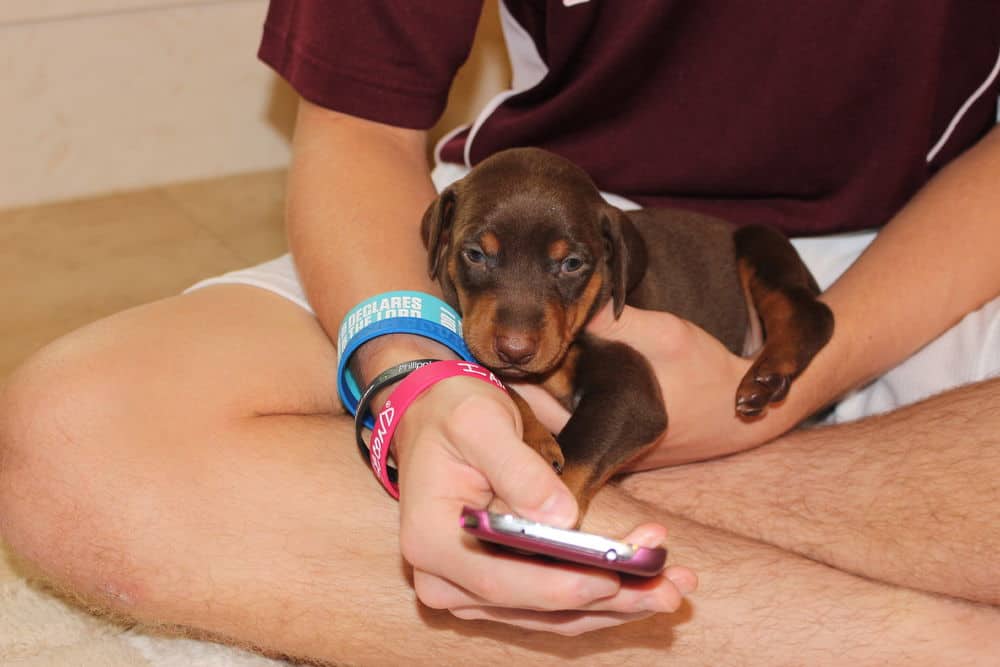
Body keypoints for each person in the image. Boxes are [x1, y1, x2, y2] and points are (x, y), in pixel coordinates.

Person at [2, 2, 999, 664]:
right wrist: (411, 380)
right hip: (556, 208)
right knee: (69, 438)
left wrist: (810, 365)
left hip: (938, 244)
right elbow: (359, 129)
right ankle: (916, 640)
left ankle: (547, 522)